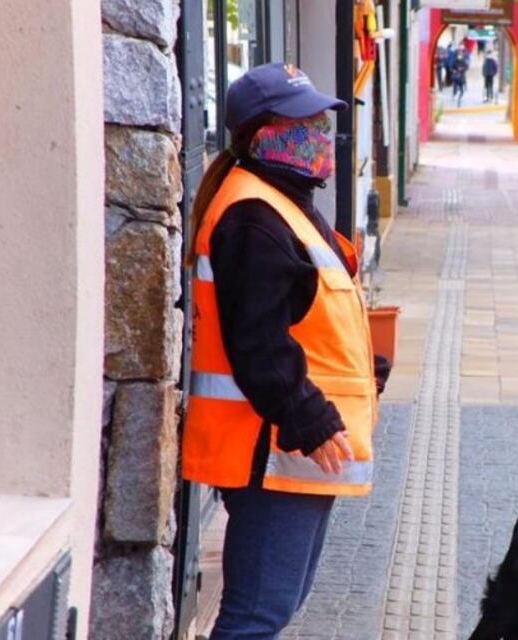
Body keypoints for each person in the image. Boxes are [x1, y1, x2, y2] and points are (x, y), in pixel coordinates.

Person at [182, 62, 391, 638]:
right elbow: (258, 344)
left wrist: (362, 369)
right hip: (269, 450)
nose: (322, 132)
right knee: (256, 616)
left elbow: (303, 317)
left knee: (276, 604)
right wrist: (311, 418)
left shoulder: (281, 202)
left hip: (291, 449)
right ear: (263, 134)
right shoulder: (255, 214)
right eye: (305, 122)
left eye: (322, 119)